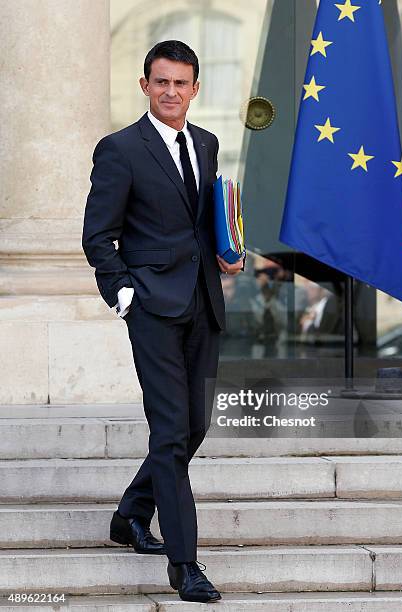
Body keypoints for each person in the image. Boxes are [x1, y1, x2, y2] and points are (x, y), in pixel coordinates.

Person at [82, 40, 243, 603]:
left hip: (203, 302)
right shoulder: (120, 149)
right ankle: (185, 566)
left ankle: (130, 513)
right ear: (145, 85)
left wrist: (228, 251)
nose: (171, 91)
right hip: (151, 306)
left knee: (194, 425)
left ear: (195, 88)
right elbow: (98, 236)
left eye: (181, 82)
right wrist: (124, 295)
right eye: (161, 81)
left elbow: (203, 223)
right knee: (171, 432)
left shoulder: (207, 143)